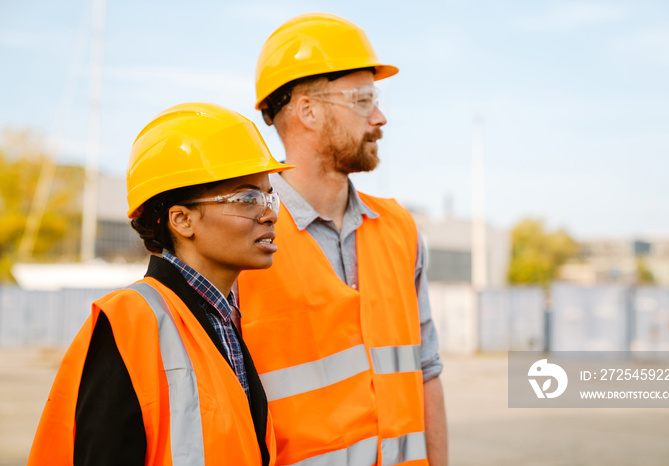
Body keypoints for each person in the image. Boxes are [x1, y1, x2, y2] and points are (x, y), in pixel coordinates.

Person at [28, 102, 294, 466]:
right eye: (247, 198)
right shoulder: (130, 321)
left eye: (269, 195)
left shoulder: (223, 319)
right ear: (182, 220)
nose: (269, 213)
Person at [236, 13, 448, 466]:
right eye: (363, 99)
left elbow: (426, 373)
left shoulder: (400, 229)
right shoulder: (239, 242)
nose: (379, 116)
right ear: (308, 111)